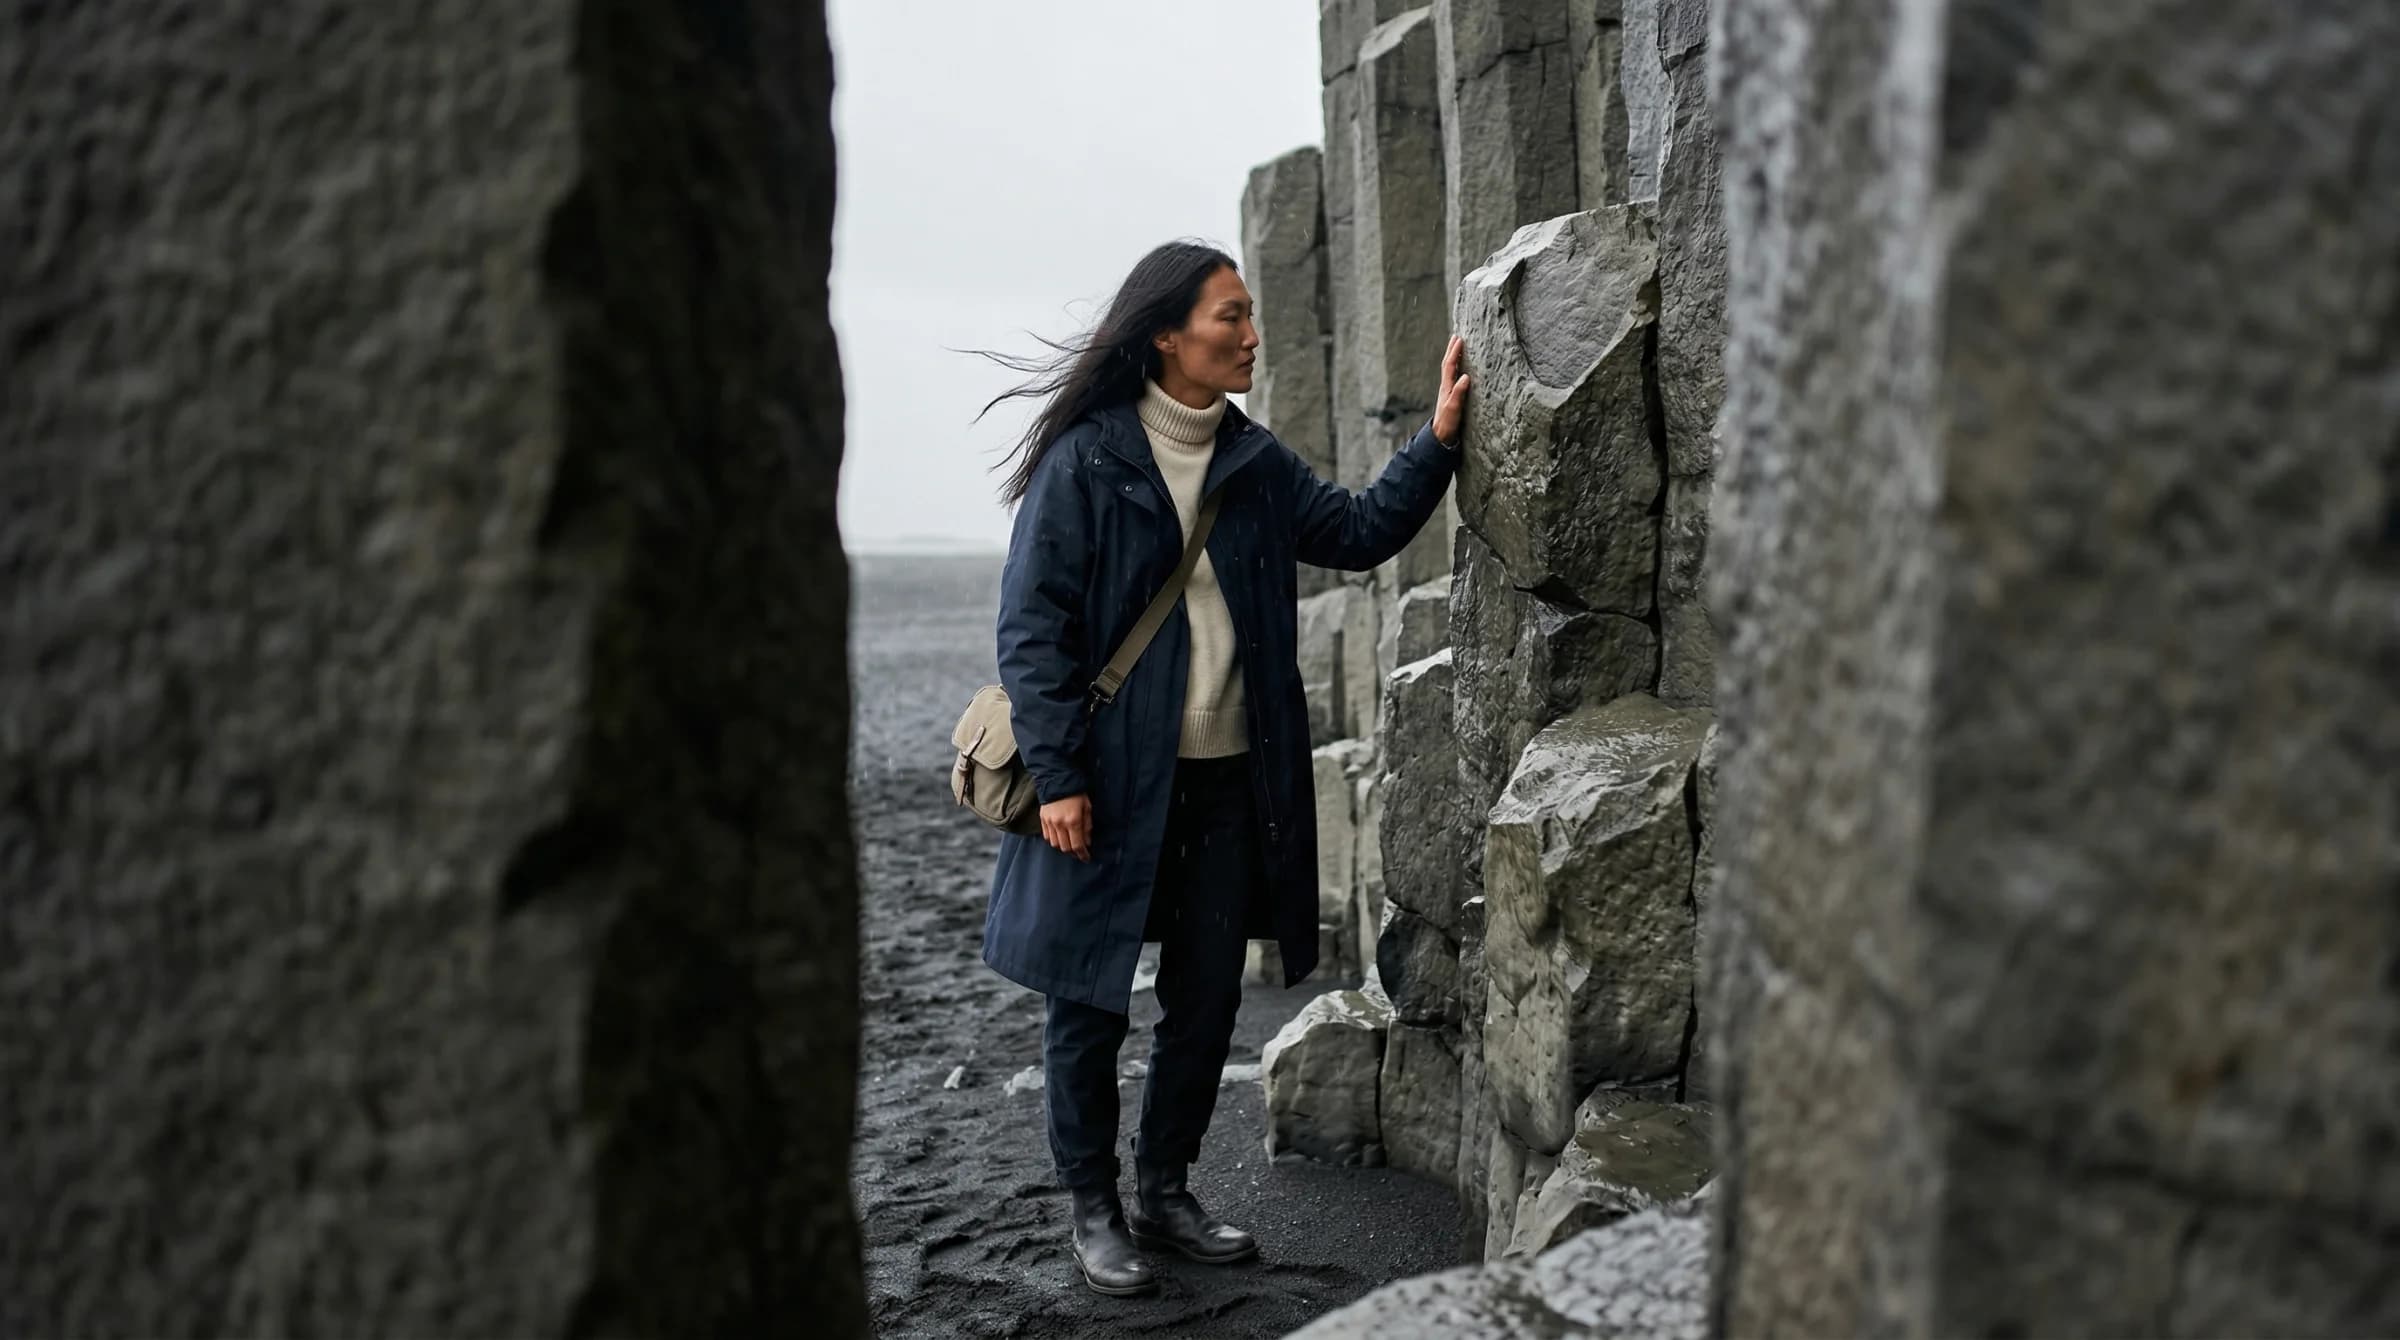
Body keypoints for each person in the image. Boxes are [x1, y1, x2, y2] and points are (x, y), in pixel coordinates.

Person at [977, 239, 1470, 1297]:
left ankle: (1162, 1188)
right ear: (1167, 333)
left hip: (1225, 780)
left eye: (1250, 316)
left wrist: (1436, 440)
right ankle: (1094, 1207)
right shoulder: (1088, 461)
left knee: (1203, 999)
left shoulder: (1250, 462)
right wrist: (1059, 773)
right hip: (1105, 783)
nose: (1252, 335)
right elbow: (1032, 630)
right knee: (1088, 1000)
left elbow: (1357, 529)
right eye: (1229, 317)